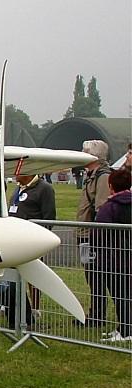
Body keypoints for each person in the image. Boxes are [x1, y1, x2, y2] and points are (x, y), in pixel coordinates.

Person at [7, 170, 55, 324]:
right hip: (13, 240)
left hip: (32, 241)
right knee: (11, 273)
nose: (15, 175)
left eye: (18, 172)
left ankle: (35, 308)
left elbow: (49, 216)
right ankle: (11, 305)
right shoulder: (18, 187)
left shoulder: (44, 188)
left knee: (32, 275)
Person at [76, 139, 113, 326]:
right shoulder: (91, 175)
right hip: (84, 235)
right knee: (90, 275)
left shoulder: (103, 177)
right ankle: (95, 313)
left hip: (92, 236)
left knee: (98, 275)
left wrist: (95, 235)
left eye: (85, 151)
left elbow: (101, 207)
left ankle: (98, 316)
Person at [93, 166, 131, 343]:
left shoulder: (108, 208)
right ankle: (123, 326)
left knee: (119, 296)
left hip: (112, 260)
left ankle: (126, 330)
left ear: (111, 186)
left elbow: (98, 234)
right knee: (126, 295)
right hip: (127, 258)